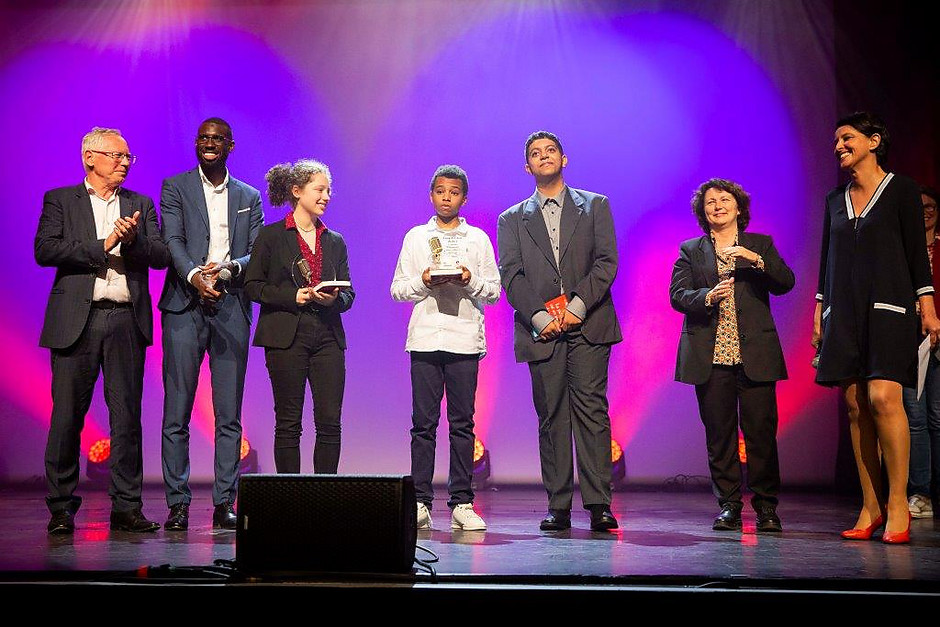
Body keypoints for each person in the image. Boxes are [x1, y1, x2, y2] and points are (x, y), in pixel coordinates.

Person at [814, 112, 940, 544]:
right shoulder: (835, 198)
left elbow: (915, 253)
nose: (838, 146)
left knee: (884, 397)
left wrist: (928, 304)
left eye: (846, 138)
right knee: (854, 406)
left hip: (891, 308)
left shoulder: (902, 189)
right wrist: (819, 311)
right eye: (835, 141)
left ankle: (899, 501)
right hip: (843, 313)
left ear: (874, 140)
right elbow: (826, 259)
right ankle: (870, 504)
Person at [36, 127, 169, 534]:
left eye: (129, 157)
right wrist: (105, 241)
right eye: (117, 156)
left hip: (125, 319)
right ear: (90, 158)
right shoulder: (61, 200)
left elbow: (162, 255)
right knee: (67, 417)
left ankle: (127, 507)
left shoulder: (139, 204)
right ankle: (61, 507)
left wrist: (129, 243)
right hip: (79, 318)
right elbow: (46, 249)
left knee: (127, 417)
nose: (125, 163)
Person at [497, 131, 621, 531]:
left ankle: (599, 503)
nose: (543, 156)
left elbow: (605, 262)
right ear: (527, 166)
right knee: (551, 417)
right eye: (535, 153)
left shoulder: (595, 205)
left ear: (563, 159)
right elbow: (511, 275)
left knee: (592, 412)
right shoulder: (512, 218)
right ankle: (559, 505)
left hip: (589, 325)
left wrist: (577, 307)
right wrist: (540, 317)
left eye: (550, 151)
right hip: (543, 330)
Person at [670, 179, 794, 532]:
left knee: (761, 435)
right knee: (719, 435)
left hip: (754, 354)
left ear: (739, 208)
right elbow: (677, 295)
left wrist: (756, 262)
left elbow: (786, 282)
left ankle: (767, 507)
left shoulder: (760, 245)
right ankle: (728, 505)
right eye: (710, 202)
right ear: (703, 212)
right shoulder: (691, 250)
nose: (718, 206)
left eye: (725, 200)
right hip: (711, 357)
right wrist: (707, 297)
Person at [158, 117, 263, 531]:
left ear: (230, 146)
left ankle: (224, 502)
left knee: (228, 414)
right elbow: (172, 241)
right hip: (185, 304)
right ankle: (178, 503)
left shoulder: (249, 195)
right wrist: (195, 277)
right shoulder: (175, 187)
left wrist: (227, 271)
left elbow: (256, 252)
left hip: (230, 306)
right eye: (202, 137)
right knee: (177, 410)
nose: (208, 143)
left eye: (217, 138)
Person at [391, 165, 500, 531]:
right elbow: (398, 289)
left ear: (464, 198)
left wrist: (468, 280)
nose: (447, 198)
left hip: (464, 340)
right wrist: (423, 281)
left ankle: (462, 503)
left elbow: (494, 291)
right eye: (440, 191)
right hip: (424, 339)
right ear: (431, 195)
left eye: (454, 192)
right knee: (423, 425)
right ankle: (420, 500)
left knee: (462, 424)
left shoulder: (478, 239)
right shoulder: (416, 238)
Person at [245, 160, 354, 476]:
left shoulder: (334, 240)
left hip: (328, 336)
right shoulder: (271, 236)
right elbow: (253, 286)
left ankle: (325, 494)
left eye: (328, 190)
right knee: (289, 422)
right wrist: (294, 296)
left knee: (330, 422)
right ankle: (290, 497)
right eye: (320, 189)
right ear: (297, 191)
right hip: (286, 336)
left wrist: (335, 299)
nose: (326, 196)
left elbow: (349, 293)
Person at [902, 185, 940, 519]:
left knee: (937, 418)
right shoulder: (903, 249)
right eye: (920, 206)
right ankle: (921, 492)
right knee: (915, 419)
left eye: (931, 205)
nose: (926, 210)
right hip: (911, 342)